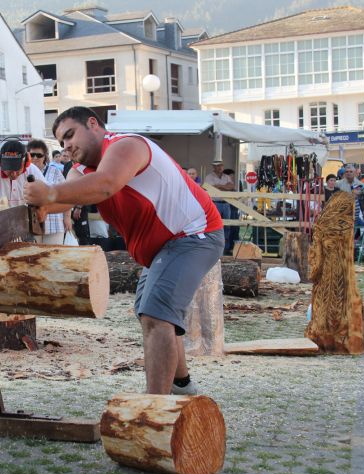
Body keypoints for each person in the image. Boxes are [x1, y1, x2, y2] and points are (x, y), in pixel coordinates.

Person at [24, 106, 223, 395]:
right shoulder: (81, 170)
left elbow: (105, 185)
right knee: (151, 313)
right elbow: (69, 198)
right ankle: (182, 386)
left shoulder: (126, 145)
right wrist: (38, 207)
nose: (67, 146)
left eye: (70, 135)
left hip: (194, 234)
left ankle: (152, 408)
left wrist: (49, 194)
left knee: (157, 315)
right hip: (165, 247)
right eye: (62, 142)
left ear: (93, 124)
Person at [26, 139, 71, 244]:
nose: (35, 158)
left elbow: (67, 195)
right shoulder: (23, 172)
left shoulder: (54, 171)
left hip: (54, 222)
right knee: (34, 257)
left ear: (45, 156)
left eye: (39, 155)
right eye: (32, 155)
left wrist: (67, 217)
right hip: (31, 223)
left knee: (54, 257)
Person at [204, 160, 234, 254]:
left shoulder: (227, 176)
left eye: (221, 165)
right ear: (214, 167)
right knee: (215, 225)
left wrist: (218, 186)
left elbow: (231, 187)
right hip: (215, 203)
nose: (220, 167)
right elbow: (209, 188)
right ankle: (215, 246)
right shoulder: (209, 177)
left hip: (226, 203)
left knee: (227, 226)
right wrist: (224, 186)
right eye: (217, 166)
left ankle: (226, 247)